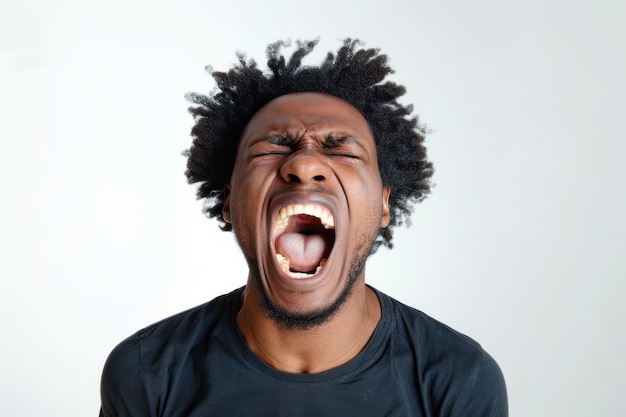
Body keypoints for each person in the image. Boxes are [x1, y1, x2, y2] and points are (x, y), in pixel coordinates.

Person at [99, 39, 508, 416]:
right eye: (273, 147)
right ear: (228, 200)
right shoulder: (146, 375)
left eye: (341, 149)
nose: (305, 165)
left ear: (384, 204)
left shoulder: (459, 382)